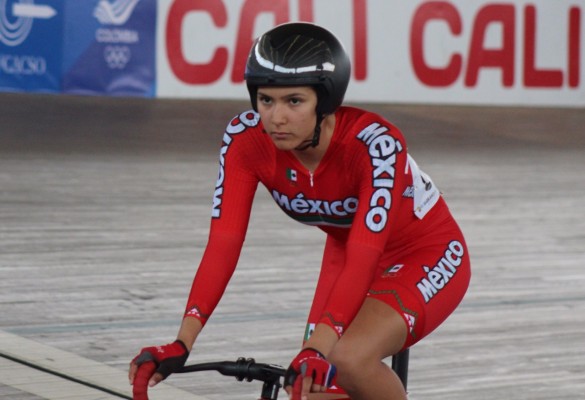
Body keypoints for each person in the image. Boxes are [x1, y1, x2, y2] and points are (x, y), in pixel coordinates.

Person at [129, 22, 471, 400]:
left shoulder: (376, 144)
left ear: (325, 102)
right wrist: (182, 341)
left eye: (294, 101)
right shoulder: (245, 140)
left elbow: (365, 255)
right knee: (307, 386)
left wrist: (320, 347)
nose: (276, 117)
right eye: (266, 100)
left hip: (424, 252)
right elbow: (223, 245)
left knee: (347, 359)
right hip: (348, 252)